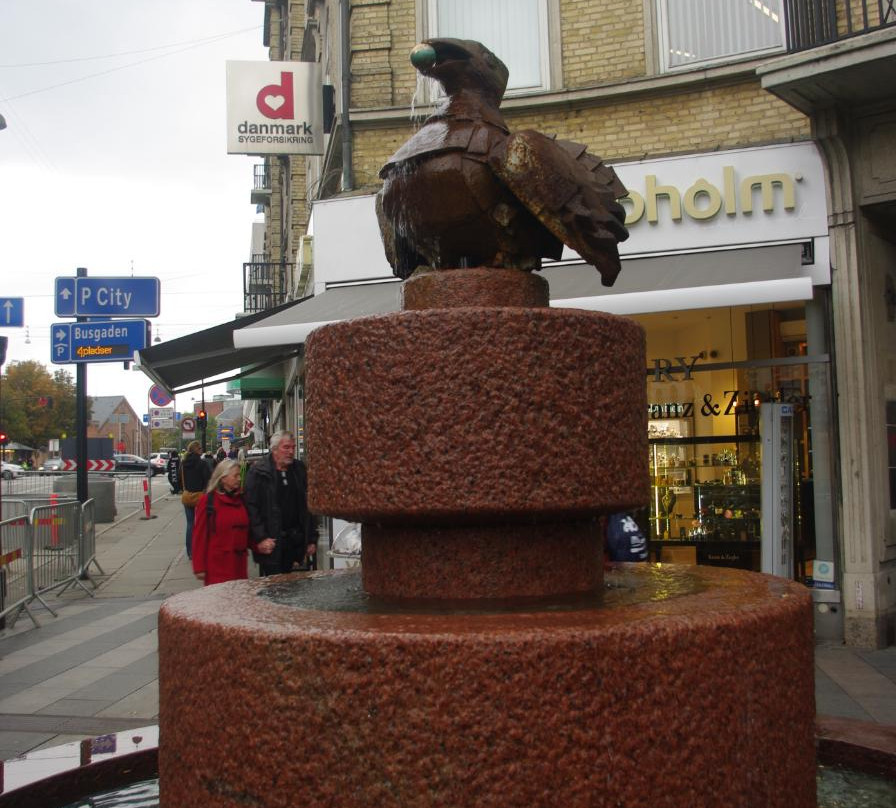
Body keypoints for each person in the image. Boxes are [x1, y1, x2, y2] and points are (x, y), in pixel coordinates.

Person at [244, 430, 318, 576]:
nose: (291, 451)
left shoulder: (299, 469)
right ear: (275, 449)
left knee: (295, 588)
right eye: (286, 447)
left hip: (295, 541)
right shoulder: (258, 472)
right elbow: (251, 508)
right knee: (274, 588)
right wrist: (260, 537)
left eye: (293, 447)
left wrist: (311, 539)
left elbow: (308, 505)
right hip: (272, 542)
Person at [192, 460, 269, 585]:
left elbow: (246, 533)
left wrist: (259, 545)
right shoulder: (208, 501)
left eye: (240, 475)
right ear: (223, 478)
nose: (239, 479)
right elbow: (199, 536)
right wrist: (199, 567)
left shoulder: (241, 499)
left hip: (239, 566)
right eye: (235, 475)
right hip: (217, 568)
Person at [180, 440, 211, 560]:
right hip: (200, 497)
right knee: (202, 524)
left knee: (190, 524)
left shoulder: (184, 463)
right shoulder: (202, 463)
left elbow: (179, 478)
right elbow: (208, 478)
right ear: (196, 450)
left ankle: (190, 551)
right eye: (200, 449)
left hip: (187, 496)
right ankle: (201, 549)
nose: (201, 450)